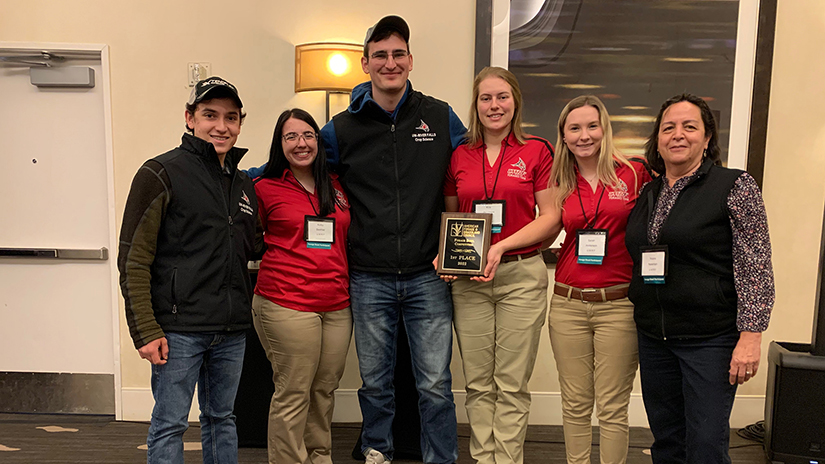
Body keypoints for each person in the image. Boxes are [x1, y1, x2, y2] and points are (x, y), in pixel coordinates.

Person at [319, 15, 467, 464]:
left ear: (410, 60)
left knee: (435, 384)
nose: (389, 62)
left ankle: (441, 458)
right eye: (380, 55)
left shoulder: (439, 116)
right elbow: (299, 168)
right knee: (376, 382)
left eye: (397, 53)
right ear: (365, 64)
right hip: (368, 277)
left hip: (429, 275)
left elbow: (480, 164)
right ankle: (376, 453)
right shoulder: (340, 129)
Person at [625, 93, 775, 463]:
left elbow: (755, 265)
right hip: (654, 337)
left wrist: (751, 337)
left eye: (690, 127)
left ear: (707, 138)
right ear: (657, 140)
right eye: (668, 128)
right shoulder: (649, 191)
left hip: (709, 340)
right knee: (667, 440)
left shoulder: (734, 186)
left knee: (706, 444)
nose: (678, 135)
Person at [118, 76, 257, 464]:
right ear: (189, 118)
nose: (221, 126)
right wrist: (145, 330)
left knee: (222, 419)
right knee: (170, 424)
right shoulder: (160, 173)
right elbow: (133, 258)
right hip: (177, 332)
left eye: (231, 118)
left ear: (240, 124)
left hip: (231, 330)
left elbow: (249, 247)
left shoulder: (244, 184)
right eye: (210, 115)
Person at [441, 66, 555, 464]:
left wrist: (500, 246)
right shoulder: (459, 155)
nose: (494, 105)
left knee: (510, 383)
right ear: (475, 105)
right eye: (486, 98)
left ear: (515, 102)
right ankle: (483, 458)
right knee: (477, 383)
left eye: (502, 97)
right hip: (469, 279)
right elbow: (452, 217)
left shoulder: (537, 150)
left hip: (521, 276)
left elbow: (551, 216)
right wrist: (445, 252)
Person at [548, 95, 652, 464]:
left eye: (592, 126)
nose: (584, 135)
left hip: (618, 306)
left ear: (605, 129)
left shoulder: (635, 172)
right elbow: (542, 228)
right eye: (574, 128)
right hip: (567, 304)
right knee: (575, 404)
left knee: (611, 406)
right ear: (563, 135)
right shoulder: (558, 179)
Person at [252, 108, 352, 464]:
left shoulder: (336, 185)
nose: (301, 143)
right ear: (280, 144)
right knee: (294, 392)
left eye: (308, 135)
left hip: (337, 305)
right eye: (291, 136)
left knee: (323, 391)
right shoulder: (264, 188)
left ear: (318, 140)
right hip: (287, 302)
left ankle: (319, 457)